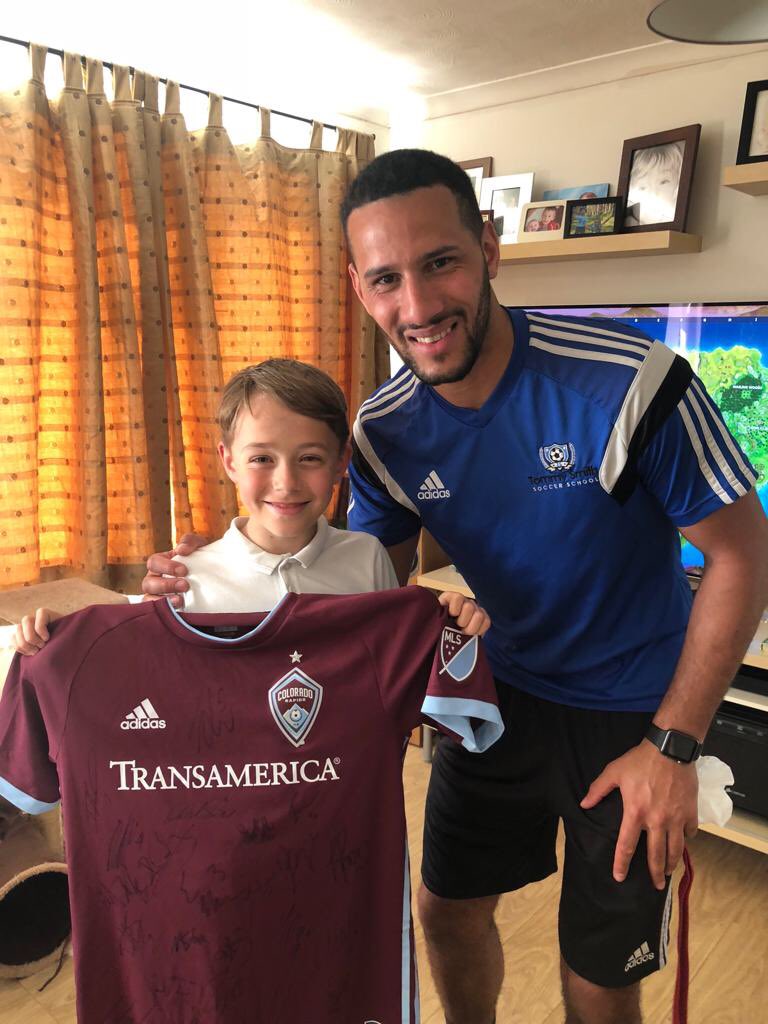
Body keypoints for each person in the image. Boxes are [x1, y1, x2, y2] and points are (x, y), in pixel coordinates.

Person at [142, 150, 768, 1024]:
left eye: (440, 263)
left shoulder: (632, 382)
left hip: (631, 711)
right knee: (446, 912)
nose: (420, 305)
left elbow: (743, 555)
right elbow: (347, 579)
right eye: (388, 278)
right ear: (361, 290)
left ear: (487, 249)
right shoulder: (384, 429)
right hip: (490, 698)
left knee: (599, 969)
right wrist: (211, 575)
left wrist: (675, 746)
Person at [13, 358, 490, 648]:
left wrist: (452, 625)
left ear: (343, 460)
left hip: (335, 793)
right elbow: (125, 636)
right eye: (262, 457)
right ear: (228, 461)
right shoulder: (186, 576)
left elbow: (398, 650)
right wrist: (62, 635)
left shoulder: (365, 558)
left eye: (309, 457)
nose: (285, 482)